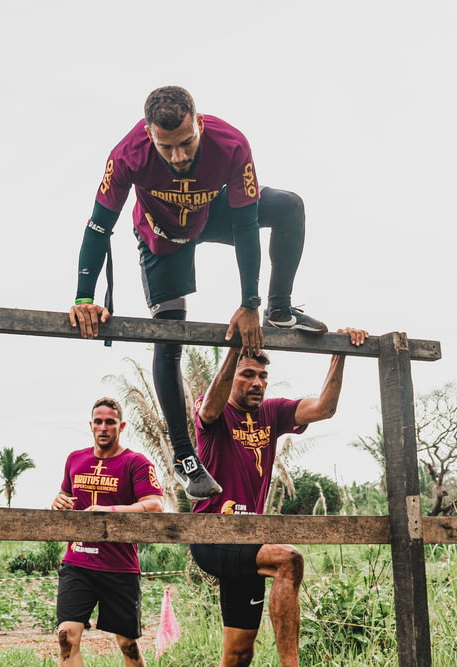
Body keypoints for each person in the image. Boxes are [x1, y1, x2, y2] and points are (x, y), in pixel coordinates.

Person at [68, 85, 327, 501]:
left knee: (288, 206)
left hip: (210, 216)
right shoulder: (127, 154)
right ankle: (186, 458)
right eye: (165, 147)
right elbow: (99, 226)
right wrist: (84, 296)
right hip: (162, 235)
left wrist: (251, 304)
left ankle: (282, 307)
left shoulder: (231, 144)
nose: (178, 156)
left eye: (186, 143)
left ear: (199, 124)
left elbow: (245, 226)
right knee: (170, 336)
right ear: (149, 135)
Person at [189, 328, 368, 667]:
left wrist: (339, 353)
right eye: (247, 375)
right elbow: (210, 409)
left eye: (263, 376)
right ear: (232, 377)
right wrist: (234, 349)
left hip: (250, 541)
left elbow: (324, 408)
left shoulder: (272, 413)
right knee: (288, 559)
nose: (257, 383)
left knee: (240, 654)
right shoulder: (213, 410)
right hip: (212, 536)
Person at [51, 397, 165, 667]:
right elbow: (65, 496)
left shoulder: (136, 462)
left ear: (121, 426)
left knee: (128, 647)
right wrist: (58, 501)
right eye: (98, 422)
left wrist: (110, 511)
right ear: (91, 425)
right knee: (66, 637)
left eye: (110, 422)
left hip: (119, 567)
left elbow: (155, 504)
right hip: (77, 563)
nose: (104, 427)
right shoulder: (75, 459)